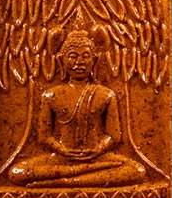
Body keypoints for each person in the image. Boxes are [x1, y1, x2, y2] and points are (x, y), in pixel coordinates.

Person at [8, 30, 146, 187]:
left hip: (97, 158)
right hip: (61, 158)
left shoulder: (106, 94)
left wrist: (98, 149)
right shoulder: (51, 95)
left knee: (137, 171)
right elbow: (44, 137)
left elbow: (114, 136)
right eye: (73, 56)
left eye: (85, 56)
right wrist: (62, 150)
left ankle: (65, 181)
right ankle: (83, 176)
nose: (79, 62)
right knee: (17, 172)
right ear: (62, 60)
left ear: (95, 60)